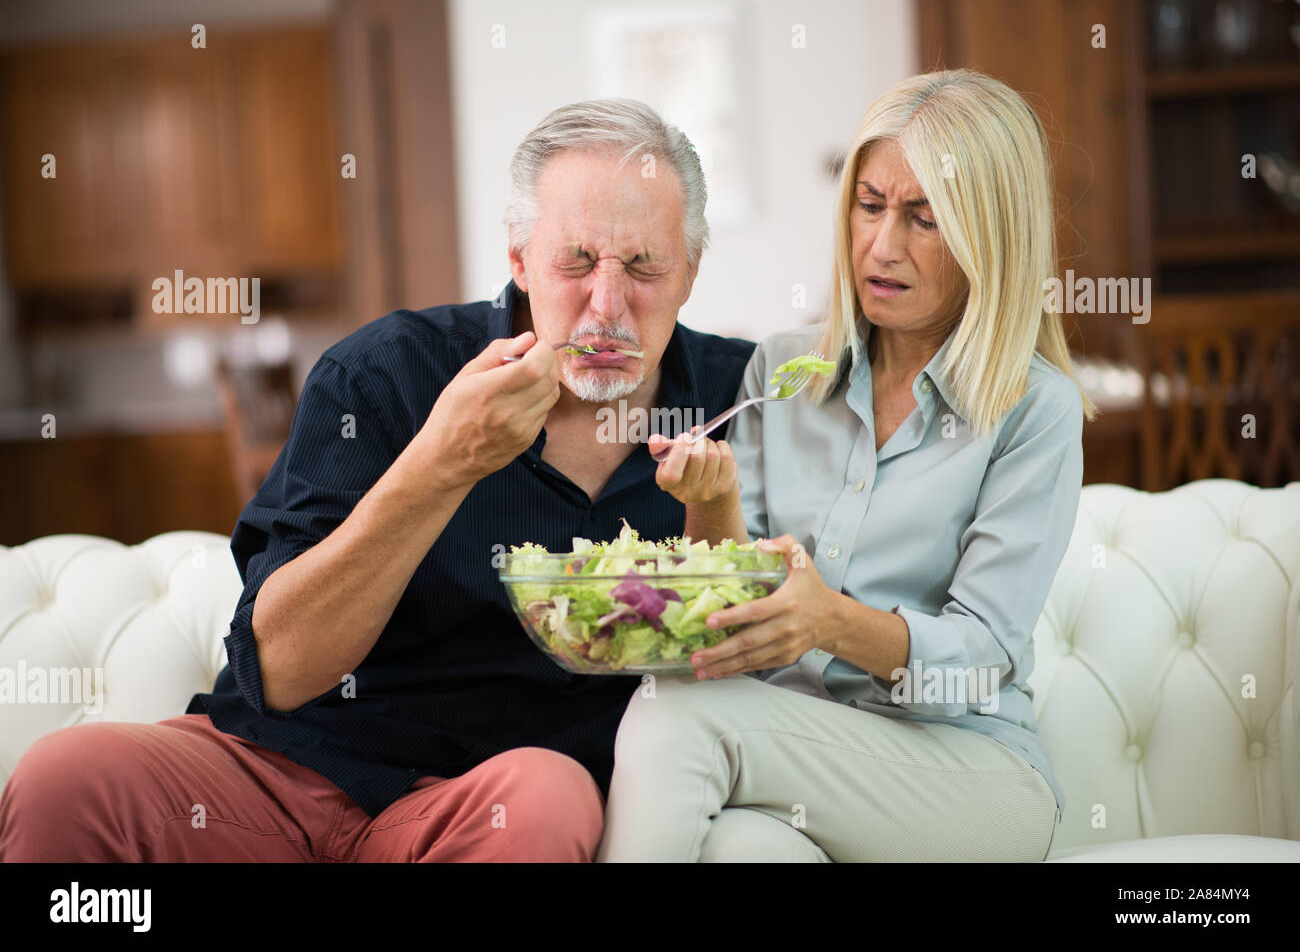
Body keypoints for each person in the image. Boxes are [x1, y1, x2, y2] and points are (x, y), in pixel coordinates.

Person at [0, 99, 753, 862]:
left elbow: (764, 645)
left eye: (645, 266)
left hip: (487, 804)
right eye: (578, 261)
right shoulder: (383, 374)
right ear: (520, 259)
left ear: (690, 270)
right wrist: (442, 461)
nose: (607, 304)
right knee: (64, 776)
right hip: (285, 771)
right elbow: (282, 672)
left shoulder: (748, 398)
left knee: (546, 795)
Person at [598, 69, 1098, 862]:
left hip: (968, 773)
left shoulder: (1035, 410)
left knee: (671, 711)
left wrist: (830, 620)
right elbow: (734, 593)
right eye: (869, 206)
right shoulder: (784, 368)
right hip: (803, 747)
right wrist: (714, 499)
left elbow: (978, 661)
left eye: (923, 219)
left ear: (988, 236)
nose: (882, 246)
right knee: (743, 852)